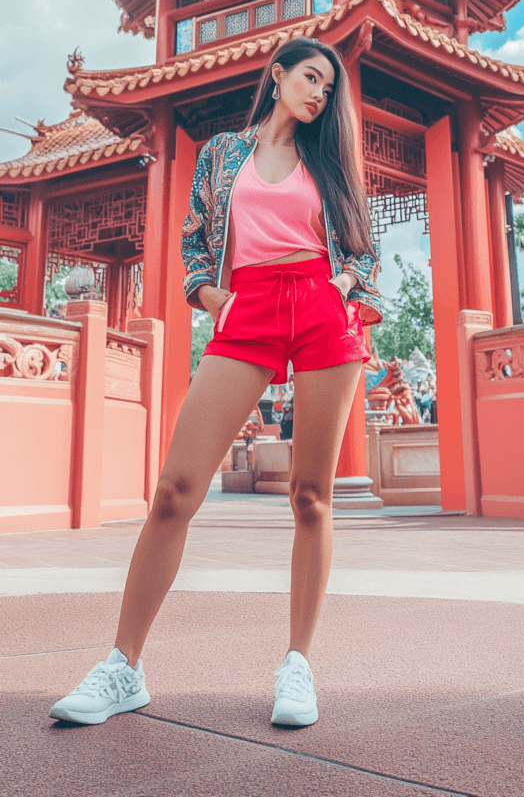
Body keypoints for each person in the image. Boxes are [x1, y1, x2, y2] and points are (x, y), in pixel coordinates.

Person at [49, 36, 383, 729]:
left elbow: (362, 247)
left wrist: (341, 285)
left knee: (312, 497)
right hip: (249, 306)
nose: (320, 94)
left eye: (330, 89)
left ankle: (297, 664)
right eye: (311, 78)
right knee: (174, 490)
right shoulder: (222, 153)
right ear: (278, 73)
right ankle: (124, 667)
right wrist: (210, 298)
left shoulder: (330, 161)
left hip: (323, 308)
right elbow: (195, 239)